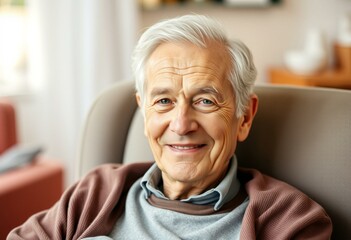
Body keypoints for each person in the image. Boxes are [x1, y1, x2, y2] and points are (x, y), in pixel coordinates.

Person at [8, 15, 332, 240]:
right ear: (144, 110)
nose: (181, 124)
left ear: (244, 116)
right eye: (163, 101)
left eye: (205, 101)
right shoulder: (95, 191)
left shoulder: (291, 222)